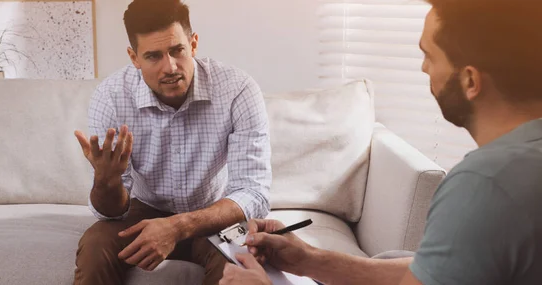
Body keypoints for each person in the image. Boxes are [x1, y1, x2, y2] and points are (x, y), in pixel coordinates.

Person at [220, 0, 542, 284]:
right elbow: (436, 271)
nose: (424, 68)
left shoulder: (484, 184)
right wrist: (308, 260)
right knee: (393, 258)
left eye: (429, 55)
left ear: (470, 80)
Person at [72, 0, 272, 284]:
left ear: (193, 44)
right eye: (153, 56)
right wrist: (107, 181)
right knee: (95, 246)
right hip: (144, 211)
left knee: (242, 261)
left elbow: (254, 193)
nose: (170, 67)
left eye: (177, 50)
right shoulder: (111, 97)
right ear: (134, 57)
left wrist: (177, 227)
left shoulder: (238, 89)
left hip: (216, 212)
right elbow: (111, 212)